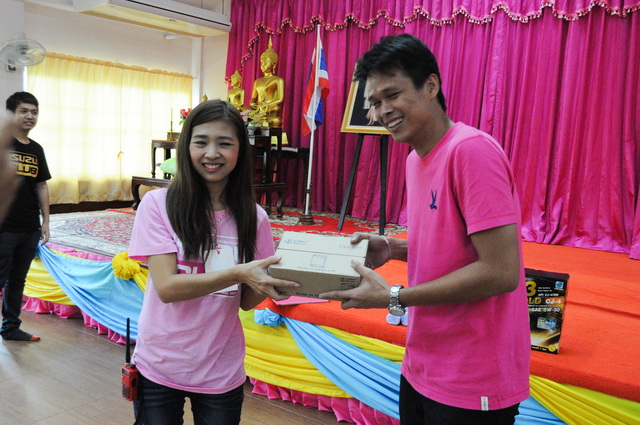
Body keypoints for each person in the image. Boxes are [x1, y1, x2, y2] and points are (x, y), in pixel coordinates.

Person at [321, 34, 530, 424]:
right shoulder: (415, 160)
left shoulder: (471, 151)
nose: (383, 111)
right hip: (423, 363)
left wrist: (394, 296)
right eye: (374, 102)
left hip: (473, 377)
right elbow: (451, 246)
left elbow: (500, 271)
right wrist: (392, 248)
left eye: (392, 95)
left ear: (431, 86)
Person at [128, 99, 298, 425]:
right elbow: (167, 288)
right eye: (201, 142)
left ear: (240, 151)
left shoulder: (254, 217)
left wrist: (276, 283)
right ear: (186, 147)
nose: (212, 153)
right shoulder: (158, 204)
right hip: (160, 364)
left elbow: (246, 300)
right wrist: (239, 273)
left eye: (224, 143)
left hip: (220, 368)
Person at [1, 92, 51, 342]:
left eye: (34, 112)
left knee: (17, 280)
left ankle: (10, 328)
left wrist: (46, 221)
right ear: (12, 114)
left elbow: (41, 185)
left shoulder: (36, 149)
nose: (30, 116)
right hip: (4, 227)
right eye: (24, 111)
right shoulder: (2, 145)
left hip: (29, 226)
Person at [250, 37, 284, 127]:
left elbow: (280, 99)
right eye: (262, 62)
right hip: (259, 108)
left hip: (270, 108)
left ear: (274, 64)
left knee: (275, 111)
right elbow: (253, 98)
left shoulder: (278, 80)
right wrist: (253, 104)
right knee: (246, 111)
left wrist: (267, 104)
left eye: (266, 62)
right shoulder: (257, 81)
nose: (263, 65)